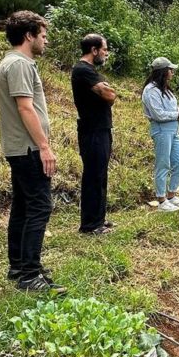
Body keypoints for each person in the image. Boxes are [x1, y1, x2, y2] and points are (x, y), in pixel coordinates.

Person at [0, 10, 64, 292]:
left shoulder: (12, 62)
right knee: (39, 206)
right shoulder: (20, 64)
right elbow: (25, 107)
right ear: (29, 35)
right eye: (43, 35)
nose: (45, 41)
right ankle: (29, 275)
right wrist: (44, 147)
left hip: (20, 147)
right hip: (28, 148)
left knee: (24, 206)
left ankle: (19, 266)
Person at [71, 34, 116, 235]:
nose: (106, 53)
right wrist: (107, 93)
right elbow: (109, 94)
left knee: (100, 174)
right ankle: (90, 225)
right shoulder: (83, 70)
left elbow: (109, 94)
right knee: (93, 176)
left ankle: (98, 218)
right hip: (92, 130)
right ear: (94, 50)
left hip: (100, 128)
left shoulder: (90, 71)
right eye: (104, 49)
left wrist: (107, 93)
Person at [142, 57, 179, 213]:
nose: (172, 72)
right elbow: (158, 114)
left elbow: (169, 109)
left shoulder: (165, 89)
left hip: (173, 130)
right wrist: (178, 114)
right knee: (163, 164)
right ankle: (161, 200)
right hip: (161, 130)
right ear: (162, 72)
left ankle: (171, 195)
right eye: (170, 69)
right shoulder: (151, 90)